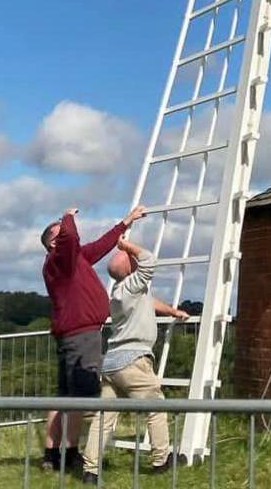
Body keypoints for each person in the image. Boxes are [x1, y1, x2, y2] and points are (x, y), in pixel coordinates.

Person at [40, 205, 147, 473]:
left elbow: (100, 245)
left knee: (64, 397)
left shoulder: (74, 259)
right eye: (60, 233)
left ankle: (52, 455)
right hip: (81, 335)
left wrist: (125, 222)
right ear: (54, 243)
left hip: (75, 334)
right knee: (81, 397)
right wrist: (66, 217)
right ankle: (69, 455)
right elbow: (70, 239)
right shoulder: (59, 260)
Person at [81, 236, 189, 484]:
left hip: (111, 363)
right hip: (133, 361)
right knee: (156, 408)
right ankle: (162, 460)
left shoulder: (120, 292)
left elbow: (148, 302)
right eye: (131, 261)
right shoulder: (131, 285)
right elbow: (150, 260)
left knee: (104, 418)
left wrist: (173, 311)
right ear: (129, 268)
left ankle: (91, 470)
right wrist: (125, 245)